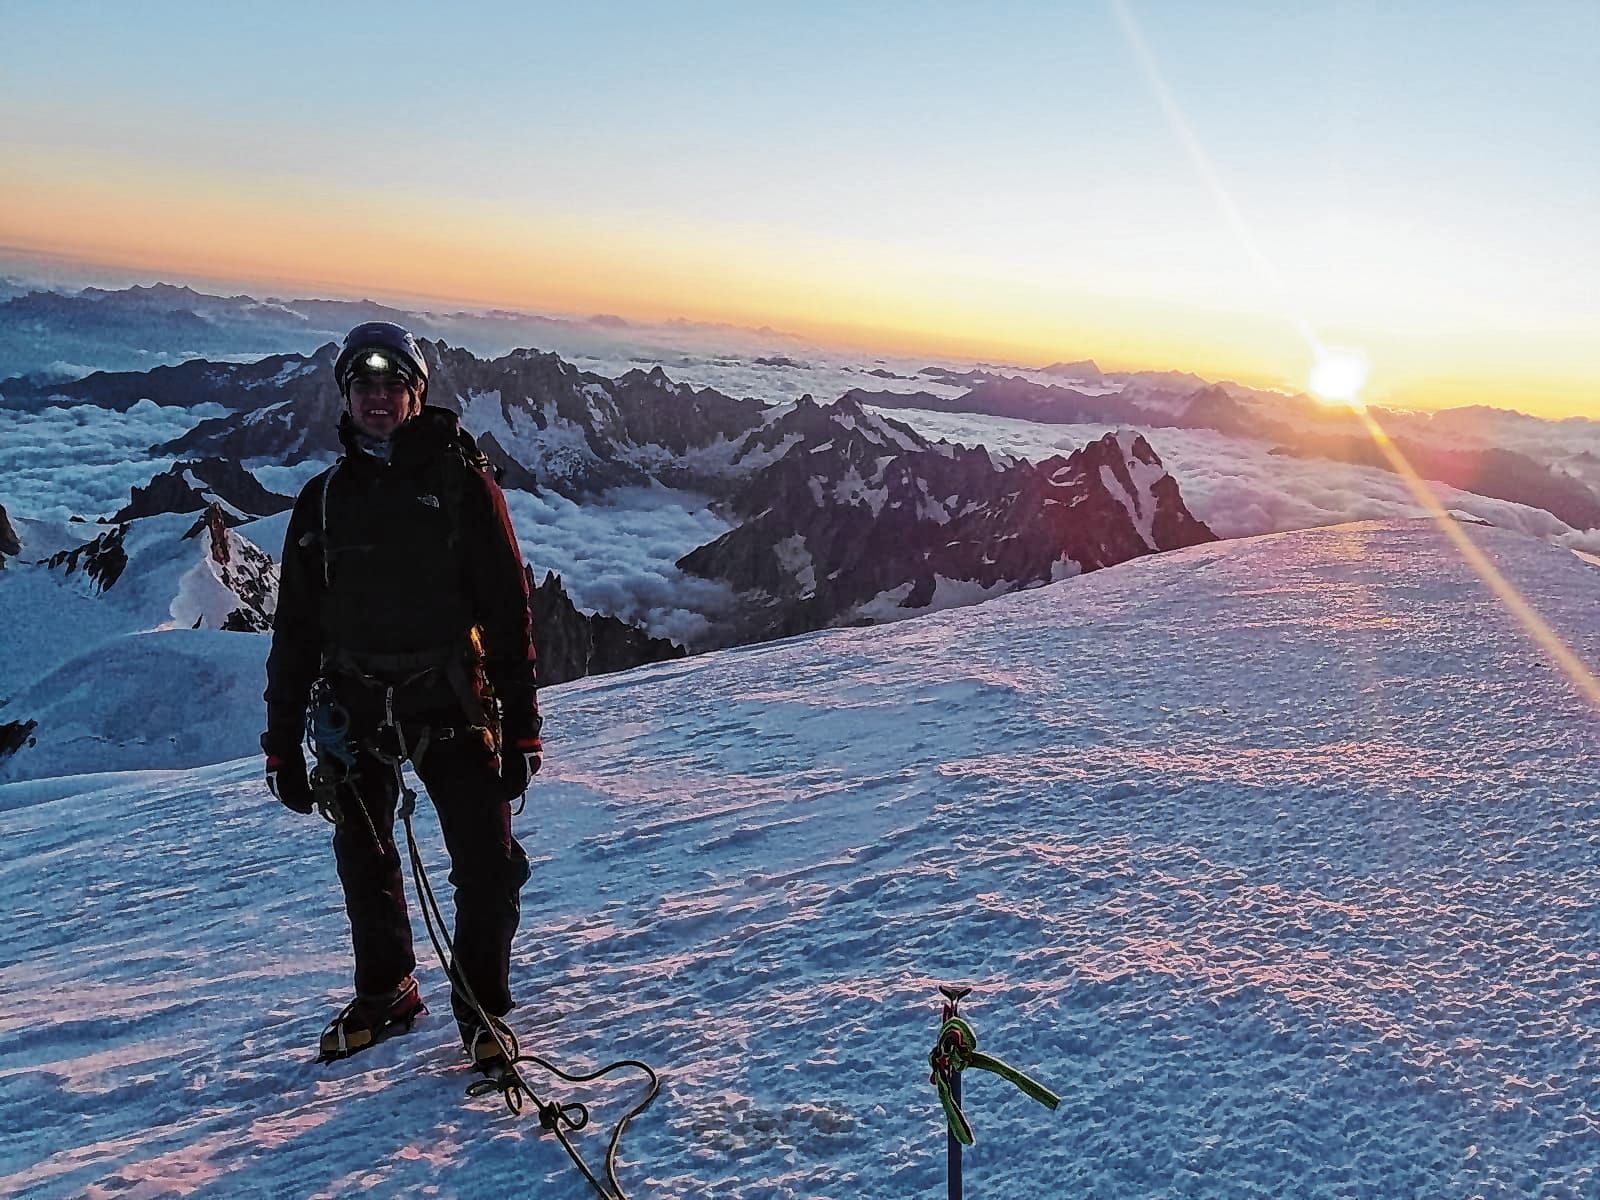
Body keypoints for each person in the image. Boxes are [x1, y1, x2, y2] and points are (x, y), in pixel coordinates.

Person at [261, 321, 543, 1071]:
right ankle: (387, 991)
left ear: (417, 395)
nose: (378, 398)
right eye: (364, 386)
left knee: (487, 861)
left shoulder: (464, 488)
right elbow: (296, 628)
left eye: (393, 385)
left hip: (449, 701)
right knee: (365, 855)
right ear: (346, 398)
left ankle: (483, 1008)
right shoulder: (322, 502)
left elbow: (507, 613)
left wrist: (523, 728)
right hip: (353, 707)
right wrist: (280, 739)